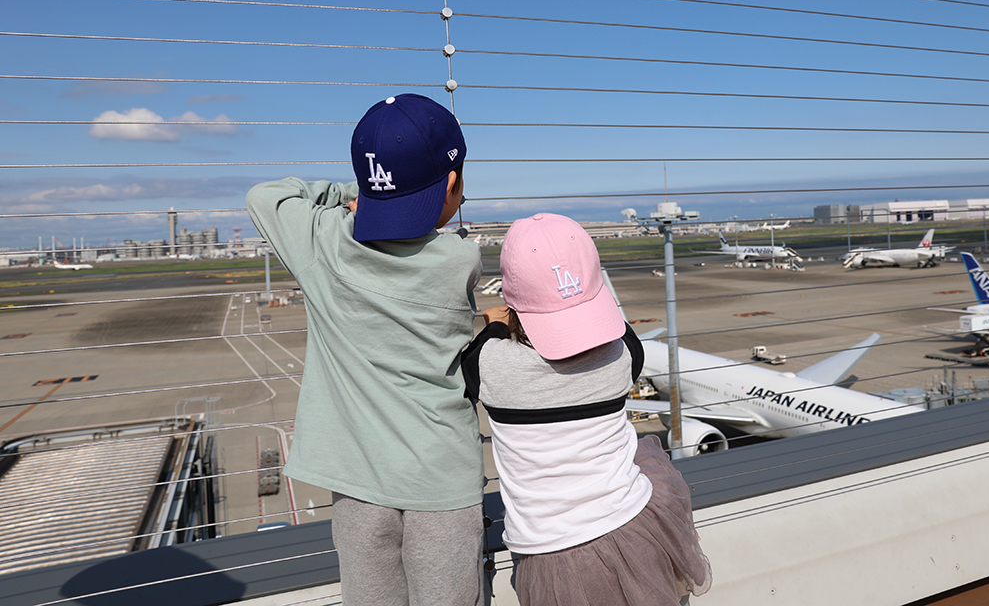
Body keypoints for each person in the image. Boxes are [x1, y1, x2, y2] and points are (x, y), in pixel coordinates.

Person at [246, 93, 485, 606]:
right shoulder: (458, 262)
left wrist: (362, 193)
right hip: (439, 477)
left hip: (356, 479)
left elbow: (266, 196)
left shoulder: (323, 242)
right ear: (452, 183)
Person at [462, 213, 712, 606]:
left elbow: (474, 360)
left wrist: (496, 325)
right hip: (637, 524)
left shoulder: (492, 366)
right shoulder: (624, 357)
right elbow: (622, 331)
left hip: (552, 555)